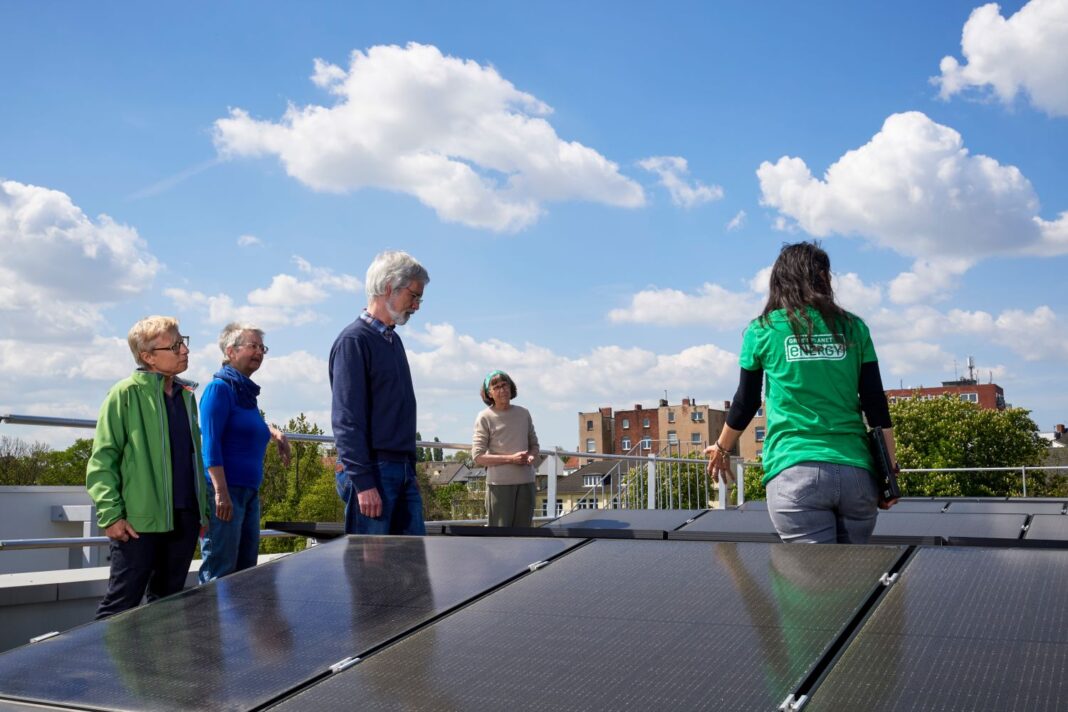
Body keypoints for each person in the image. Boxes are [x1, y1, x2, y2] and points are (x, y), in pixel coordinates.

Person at [705, 242, 898, 544]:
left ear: (780, 280)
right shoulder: (855, 328)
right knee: (856, 583)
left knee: (812, 589)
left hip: (795, 474)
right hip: (858, 476)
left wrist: (721, 448)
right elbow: (876, 405)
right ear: (823, 278)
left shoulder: (763, 330)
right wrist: (890, 474)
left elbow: (745, 402)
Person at [86, 316, 211, 618]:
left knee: (167, 606)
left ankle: (155, 667)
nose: (184, 351)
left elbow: (193, 458)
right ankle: (99, 666)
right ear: (148, 356)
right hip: (138, 523)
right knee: (121, 605)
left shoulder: (186, 397)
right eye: (176, 345)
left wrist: (201, 511)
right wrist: (111, 515)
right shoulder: (124, 394)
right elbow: (102, 460)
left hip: (184, 519)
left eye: (184, 342)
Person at [330, 250, 430, 535]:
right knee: (371, 573)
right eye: (414, 296)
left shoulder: (392, 341)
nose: (417, 306)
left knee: (412, 569)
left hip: (401, 470)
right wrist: (363, 482)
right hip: (373, 470)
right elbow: (346, 419)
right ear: (389, 288)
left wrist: (410, 470)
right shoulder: (354, 341)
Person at [198, 322, 291, 582]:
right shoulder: (220, 389)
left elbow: (244, 425)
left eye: (263, 348)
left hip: (248, 492)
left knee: (245, 573)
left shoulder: (245, 393)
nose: (259, 352)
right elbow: (211, 444)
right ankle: (208, 623)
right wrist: (220, 492)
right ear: (230, 351)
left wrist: (273, 431)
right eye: (253, 346)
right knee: (221, 570)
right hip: (226, 492)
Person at [471, 370, 540, 527]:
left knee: (524, 537)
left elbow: (534, 445)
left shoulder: (524, 413)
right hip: (499, 486)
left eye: (504, 385)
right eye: (496, 387)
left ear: (511, 387)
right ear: (489, 393)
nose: (502, 390)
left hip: (526, 483)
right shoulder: (484, 417)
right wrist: (511, 459)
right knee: (500, 539)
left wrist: (531, 455)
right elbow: (478, 456)